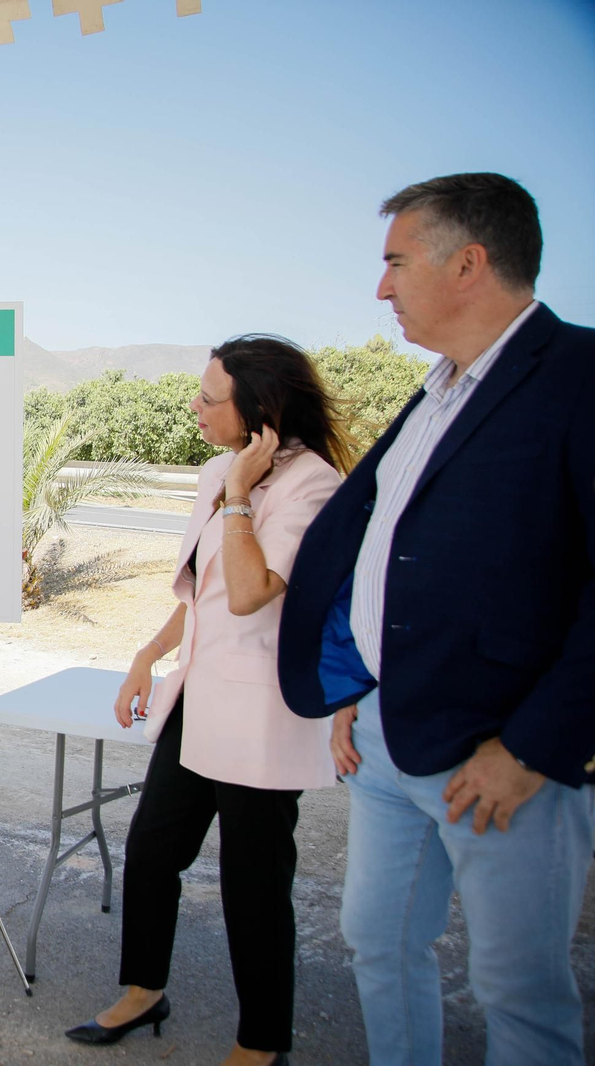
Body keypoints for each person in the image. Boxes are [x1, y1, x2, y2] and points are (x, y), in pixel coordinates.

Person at [278, 173, 595, 1065]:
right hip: (384, 733)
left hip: (500, 755)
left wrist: (532, 748)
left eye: (395, 262)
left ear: (468, 263)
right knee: (377, 945)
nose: (381, 288)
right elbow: (388, 550)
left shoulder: (578, 378)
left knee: (518, 992)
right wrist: (356, 682)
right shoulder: (437, 392)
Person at [66, 335, 351, 1066]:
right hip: (196, 698)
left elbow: (252, 592)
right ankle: (144, 990)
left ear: (259, 409)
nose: (193, 406)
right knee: (151, 849)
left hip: (260, 716)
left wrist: (240, 499)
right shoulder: (217, 471)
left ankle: (261, 1042)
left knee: (253, 883)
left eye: (209, 397)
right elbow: (204, 593)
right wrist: (147, 656)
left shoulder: (311, 485)